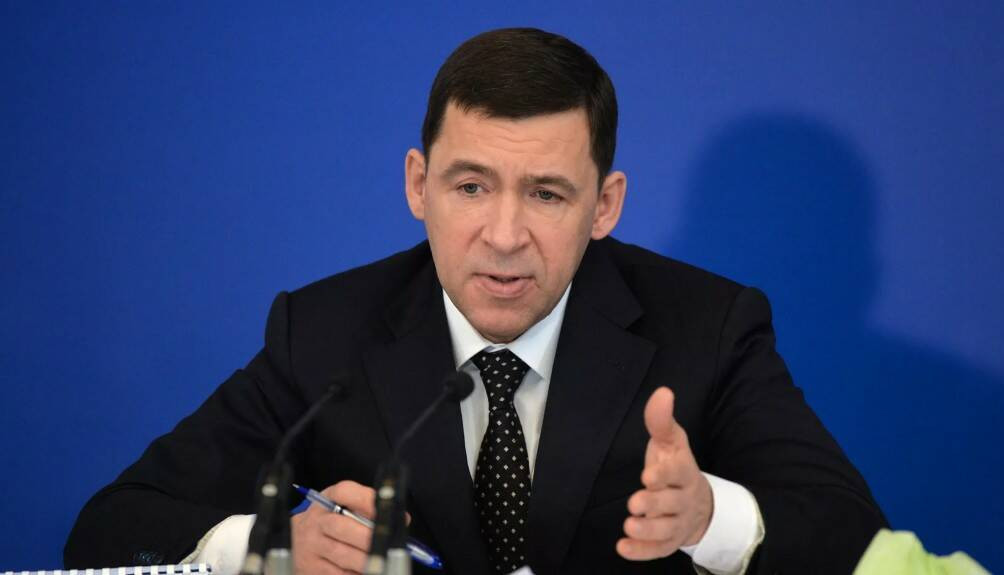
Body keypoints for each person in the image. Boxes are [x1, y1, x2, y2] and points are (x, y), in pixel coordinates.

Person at [65, 28, 886, 575]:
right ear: (418, 185)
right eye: (470, 186)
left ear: (605, 206)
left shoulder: (706, 329)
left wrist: (711, 518)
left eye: (547, 194)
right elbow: (107, 529)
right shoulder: (321, 335)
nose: (503, 235)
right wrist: (270, 546)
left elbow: (855, 536)